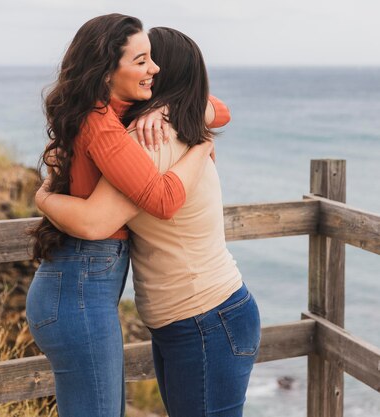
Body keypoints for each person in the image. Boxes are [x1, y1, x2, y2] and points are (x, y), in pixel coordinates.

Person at [35, 27, 261, 417]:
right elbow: (214, 107)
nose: (150, 69)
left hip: (204, 318)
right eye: (142, 61)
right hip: (198, 317)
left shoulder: (152, 141)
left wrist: (42, 196)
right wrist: (197, 132)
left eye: (154, 62)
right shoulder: (182, 129)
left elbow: (95, 222)